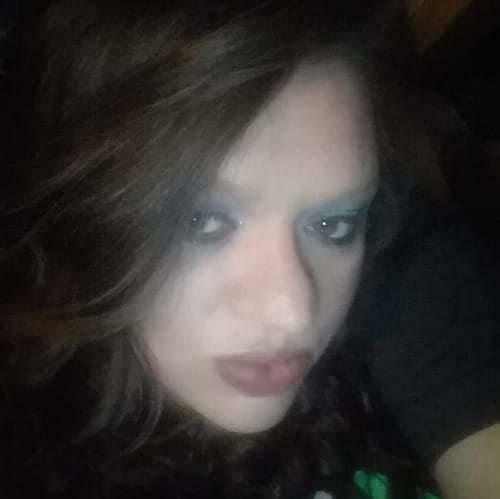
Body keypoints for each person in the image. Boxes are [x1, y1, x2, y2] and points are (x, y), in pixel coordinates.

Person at [1, 2, 498, 499]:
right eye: (201, 222)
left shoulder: (398, 259)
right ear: (83, 210)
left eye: (333, 224)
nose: (294, 313)